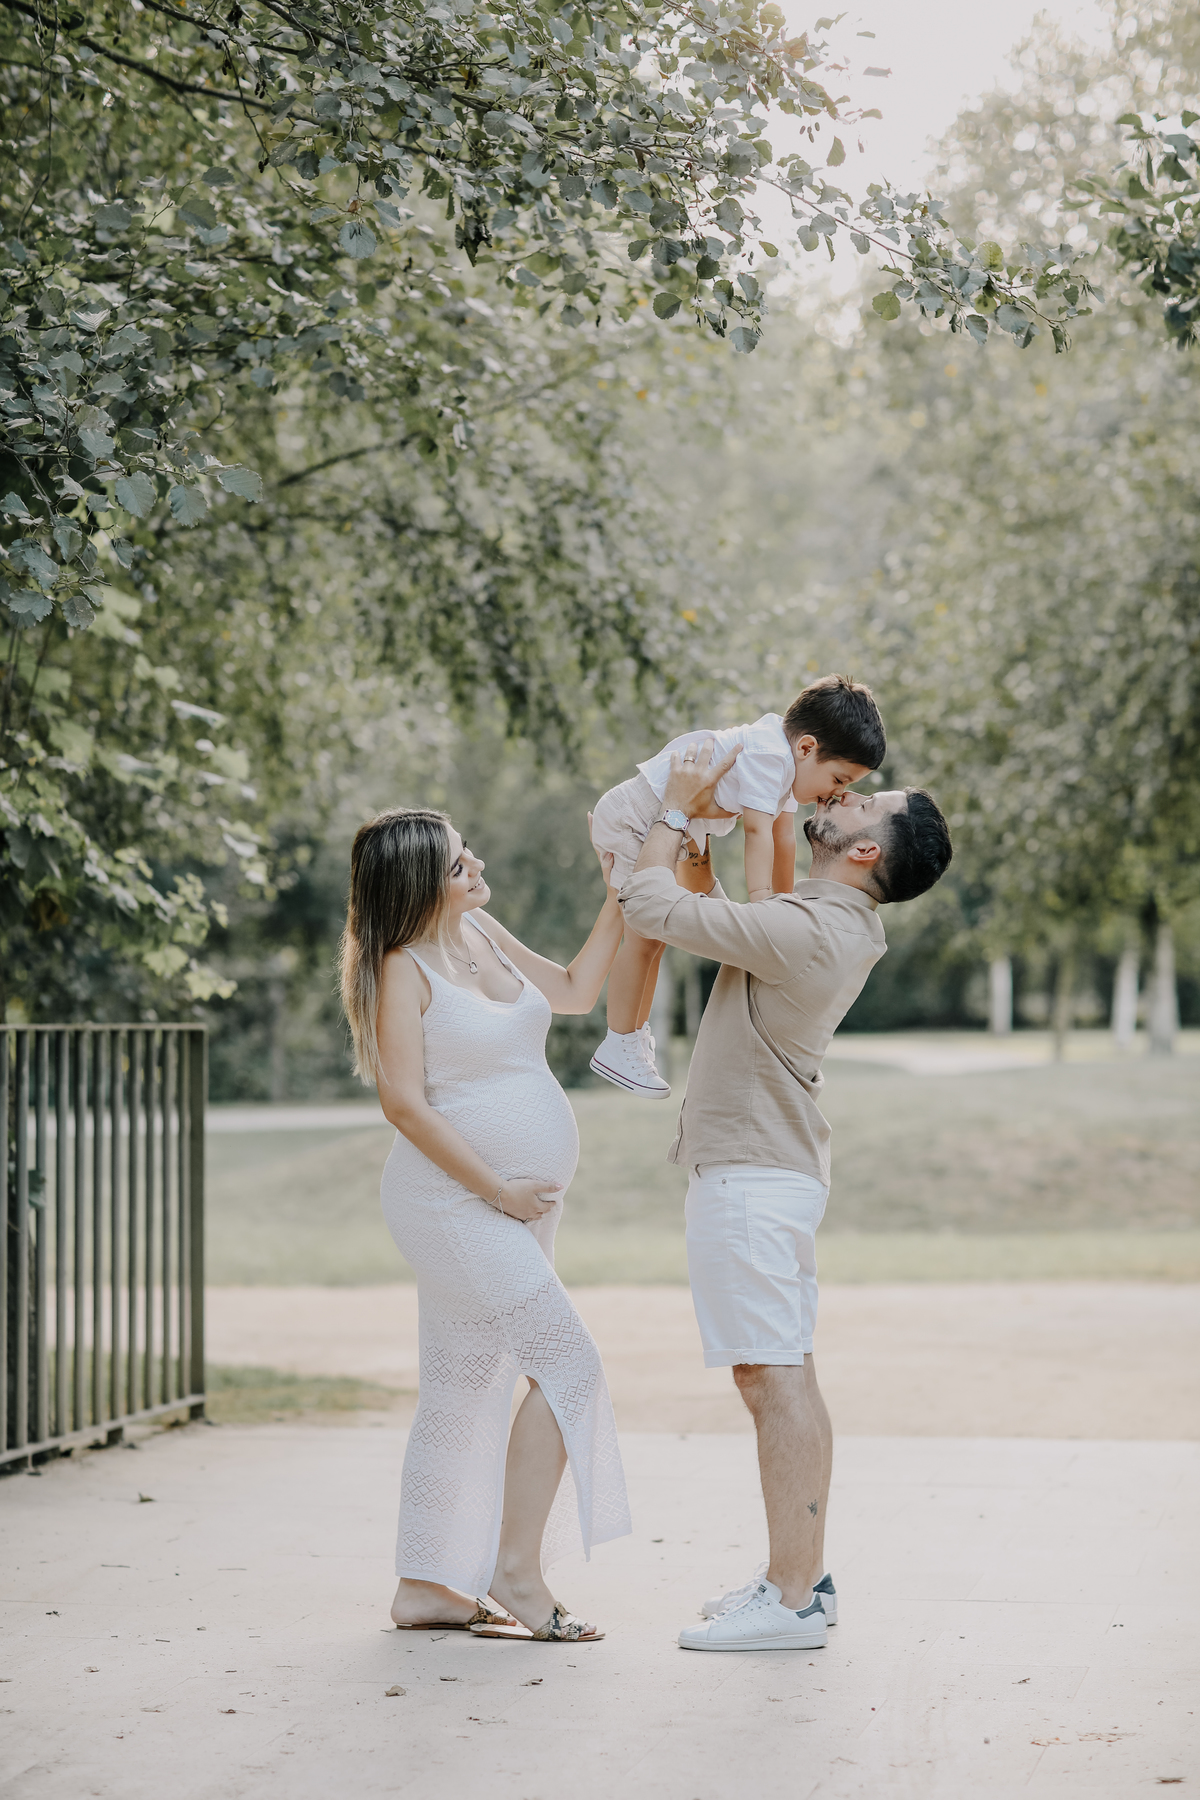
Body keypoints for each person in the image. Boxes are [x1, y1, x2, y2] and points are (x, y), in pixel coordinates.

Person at [617, 740, 952, 1653]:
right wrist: (706, 850)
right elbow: (720, 916)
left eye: (864, 800)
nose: (845, 796)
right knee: (775, 1368)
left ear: (866, 850)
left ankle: (794, 1597)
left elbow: (645, 903)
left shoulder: (814, 930)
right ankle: (795, 1578)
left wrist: (678, 811)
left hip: (755, 1176)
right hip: (762, 1171)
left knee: (771, 1374)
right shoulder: (814, 919)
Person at [340, 807, 632, 1645]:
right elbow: (403, 1103)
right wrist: (499, 1190)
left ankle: (426, 1586)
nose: (475, 864)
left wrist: (616, 899)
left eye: (468, 852)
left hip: (510, 1205)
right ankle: (516, 1572)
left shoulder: (482, 932)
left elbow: (575, 991)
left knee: (464, 1385)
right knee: (569, 1366)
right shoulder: (400, 968)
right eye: (456, 861)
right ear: (416, 885)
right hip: (452, 1201)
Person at [588, 675, 886, 1099]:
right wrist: (763, 901)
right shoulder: (768, 757)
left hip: (661, 826)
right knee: (642, 935)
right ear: (807, 748)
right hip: (633, 818)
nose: (834, 796)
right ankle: (618, 1041)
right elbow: (757, 835)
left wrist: (786, 906)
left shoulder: (785, 763)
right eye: (839, 780)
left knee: (652, 940)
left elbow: (784, 840)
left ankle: (631, 1035)